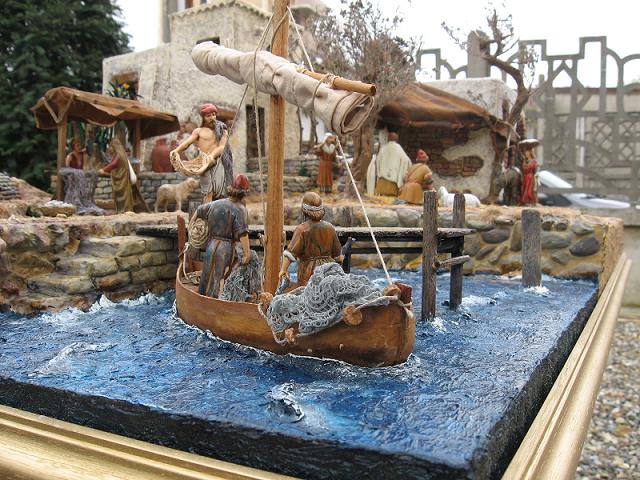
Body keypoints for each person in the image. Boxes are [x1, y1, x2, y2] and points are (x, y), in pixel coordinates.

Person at [196, 174, 252, 298]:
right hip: (226, 247)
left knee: (207, 272)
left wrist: (191, 229)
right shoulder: (240, 209)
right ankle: (215, 299)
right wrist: (247, 253)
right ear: (244, 193)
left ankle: (201, 297)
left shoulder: (215, 204)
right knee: (220, 275)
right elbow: (243, 233)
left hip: (211, 244)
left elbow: (198, 211)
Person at [170, 104, 234, 202]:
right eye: (208, 116)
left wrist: (212, 155)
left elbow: (221, 147)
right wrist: (176, 150)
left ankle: (219, 209)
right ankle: (207, 210)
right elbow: (187, 143)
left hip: (218, 163)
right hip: (204, 164)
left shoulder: (222, 130)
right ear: (203, 118)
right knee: (208, 192)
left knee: (220, 191)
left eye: (213, 114)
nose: (212, 118)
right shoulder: (198, 131)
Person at [278, 192, 343, 287]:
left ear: (304, 210)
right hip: (329, 271)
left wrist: (283, 270)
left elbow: (290, 253)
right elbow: (338, 256)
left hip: (309, 273)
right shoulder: (330, 228)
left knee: (309, 293)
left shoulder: (302, 229)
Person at [99, 137, 134, 213]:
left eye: (111, 146)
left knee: (123, 194)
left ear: (114, 147)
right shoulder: (121, 153)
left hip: (122, 178)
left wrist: (104, 170)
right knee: (124, 194)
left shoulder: (119, 154)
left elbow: (113, 164)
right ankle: (124, 209)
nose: (110, 149)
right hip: (123, 177)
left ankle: (124, 210)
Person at [372, 132, 412, 196]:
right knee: (391, 198)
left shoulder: (383, 148)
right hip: (393, 182)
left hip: (382, 181)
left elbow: (377, 161)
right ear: (397, 139)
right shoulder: (399, 149)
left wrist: (380, 171)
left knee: (382, 198)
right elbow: (407, 161)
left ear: (388, 139)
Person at [519, 138, 539, 205]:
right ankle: (525, 202)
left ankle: (531, 201)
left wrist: (536, 175)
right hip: (525, 177)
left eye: (527, 152)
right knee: (524, 189)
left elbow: (536, 170)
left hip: (530, 178)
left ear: (530, 152)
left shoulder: (533, 161)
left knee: (529, 191)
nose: (526, 154)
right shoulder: (525, 161)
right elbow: (523, 169)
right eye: (525, 152)